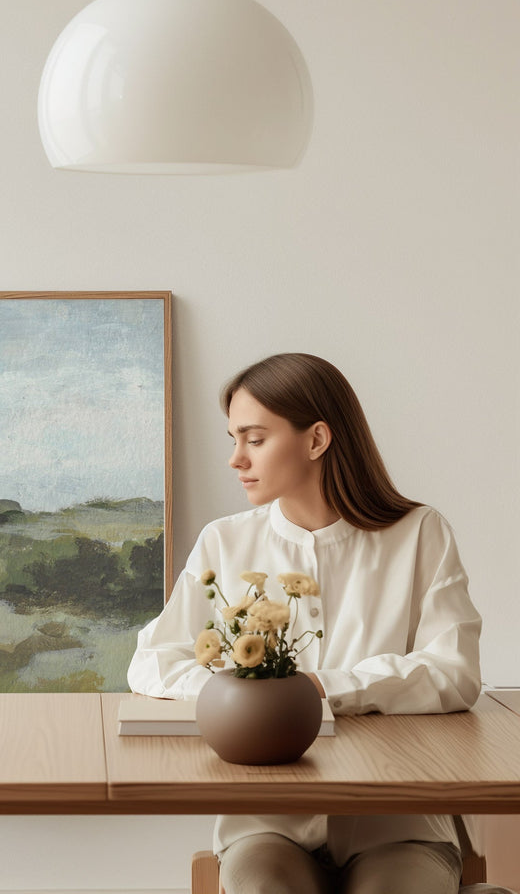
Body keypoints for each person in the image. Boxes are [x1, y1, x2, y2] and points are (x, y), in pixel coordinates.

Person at [128, 352, 493, 894]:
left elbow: (454, 672)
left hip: (399, 822)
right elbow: (153, 661)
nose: (235, 459)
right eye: (234, 439)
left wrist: (323, 688)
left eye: (253, 439)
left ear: (317, 440)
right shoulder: (224, 541)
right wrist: (247, 693)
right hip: (264, 824)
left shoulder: (419, 534)